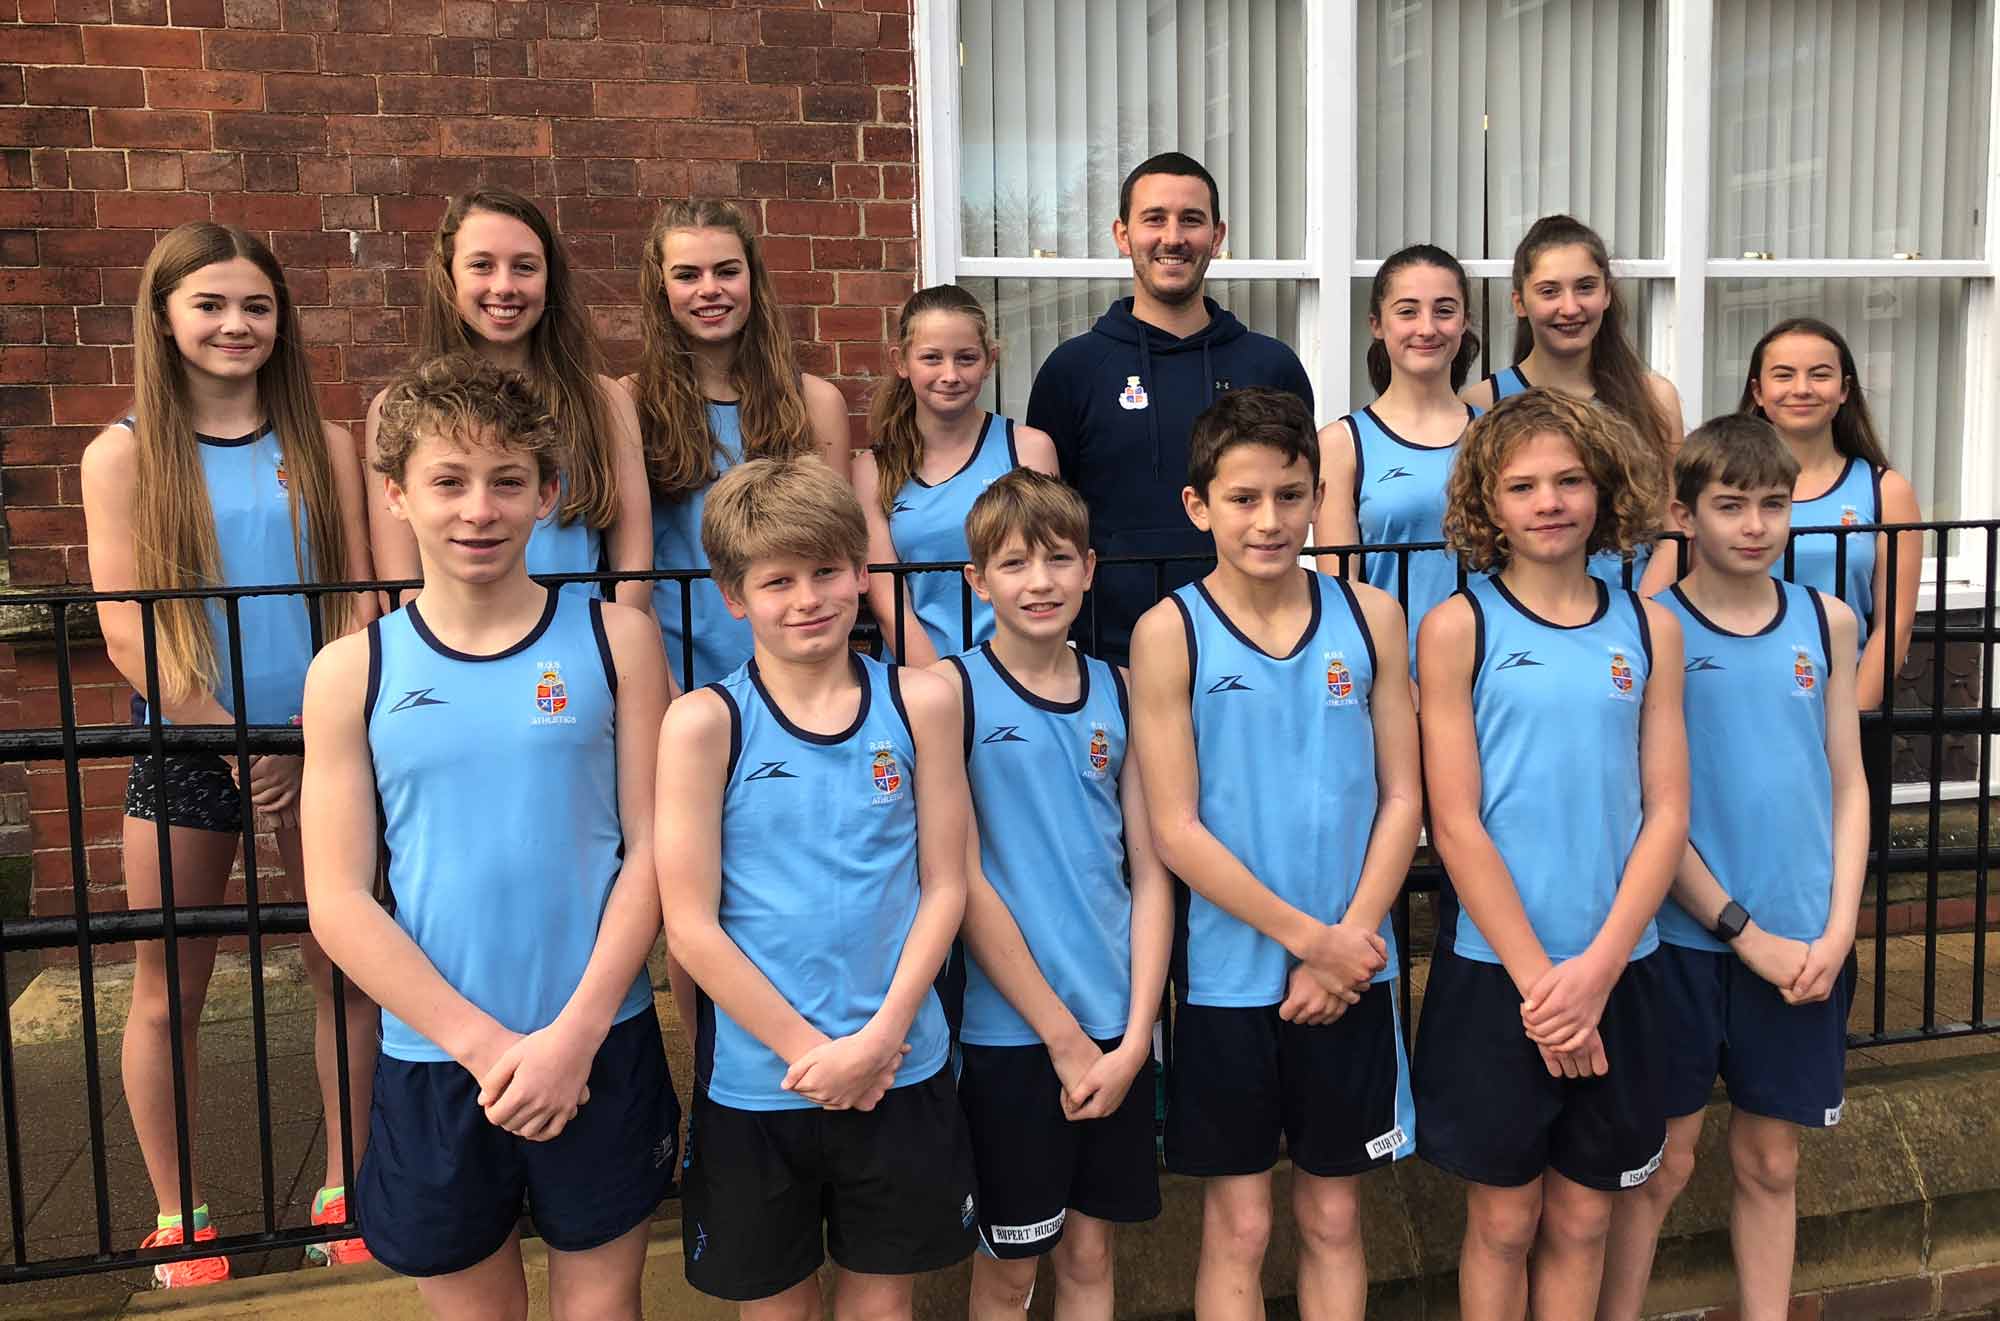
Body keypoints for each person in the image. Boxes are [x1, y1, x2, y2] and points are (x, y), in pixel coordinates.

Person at [302, 354, 677, 1320]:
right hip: (436, 1059)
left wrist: (574, 1036)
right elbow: (339, 898)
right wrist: (483, 1046)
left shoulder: (617, 642)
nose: (479, 509)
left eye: (508, 481)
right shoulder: (351, 670)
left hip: (600, 1041)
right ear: (396, 495)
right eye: (448, 481)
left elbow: (655, 851)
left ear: (548, 493)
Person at [79, 221, 379, 1285]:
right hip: (186, 745)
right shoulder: (120, 454)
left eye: (255, 304)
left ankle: (348, 1185)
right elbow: (127, 627)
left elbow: (354, 598)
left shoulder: (325, 444)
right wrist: (231, 735)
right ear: (164, 318)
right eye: (209, 304)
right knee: (171, 984)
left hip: (320, 744)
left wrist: (308, 736)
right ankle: (180, 1212)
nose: (234, 324)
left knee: (344, 967)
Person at [655, 457, 977, 1320]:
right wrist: (817, 1056)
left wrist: (875, 1042)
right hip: (767, 1082)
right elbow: (688, 926)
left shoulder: (923, 702)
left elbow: (947, 884)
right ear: (733, 594)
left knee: (883, 1305)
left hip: (900, 1061)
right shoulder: (702, 724)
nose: (808, 598)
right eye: (778, 580)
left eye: (827, 571)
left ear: (860, 573)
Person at [1129, 388, 1422, 1321]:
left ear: (1317, 495)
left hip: (1352, 968)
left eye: (1290, 496)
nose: (1269, 519)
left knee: (1334, 1215)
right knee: (1242, 1224)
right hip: (1229, 979)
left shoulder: (1371, 614)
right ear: (1198, 506)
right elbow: (1175, 828)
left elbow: (1402, 797)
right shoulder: (1168, 630)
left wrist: (1351, 943)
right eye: (1245, 497)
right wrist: (1310, 940)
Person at [1413, 390, 1688, 1321]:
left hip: (1620, 969)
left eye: (1569, 479)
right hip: (1503, 978)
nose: (1549, 500)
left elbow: (1666, 811)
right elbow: (1456, 823)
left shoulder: (1650, 627)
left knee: (1582, 1219)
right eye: (1523, 484)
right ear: (1488, 506)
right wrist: (1545, 989)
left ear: (1603, 490)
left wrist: (1597, 972)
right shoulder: (1457, 627)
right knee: (1503, 1221)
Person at [1596, 414, 1867, 1321]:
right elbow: (1655, 812)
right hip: (1686, 940)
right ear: (1683, 512)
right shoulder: (1649, 626)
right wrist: (1739, 932)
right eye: (1731, 505)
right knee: (1660, 1165)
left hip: (1803, 941)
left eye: (1774, 504)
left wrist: (1836, 930)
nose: (1755, 525)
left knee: (1771, 1159)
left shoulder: (1827, 621)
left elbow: (1849, 782)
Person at [936, 468, 1171, 1318]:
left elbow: (1149, 873)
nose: (1039, 581)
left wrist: (1137, 1031)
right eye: (1013, 563)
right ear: (976, 579)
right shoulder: (949, 695)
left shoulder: (1118, 690)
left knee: (1090, 1251)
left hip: (1115, 1027)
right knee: (1008, 1268)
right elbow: (960, 883)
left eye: (1058, 559)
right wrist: (1063, 1037)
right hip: (1013, 1036)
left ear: (1090, 567)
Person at [1027, 151, 1314, 664]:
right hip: (1112, 655)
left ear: (1218, 236)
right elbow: (1050, 523)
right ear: (1122, 234)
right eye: (1154, 218)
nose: (1173, 237)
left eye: (1191, 220)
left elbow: (1295, 499)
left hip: (1257, 648)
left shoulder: (1271, 366)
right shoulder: (1071, 372)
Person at [365, 189, 652, 613]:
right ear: (448, 276)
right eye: (482, 265)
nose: (504, 286)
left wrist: (611, 646)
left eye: (524, 267)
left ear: (549, 278)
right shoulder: (397, 409)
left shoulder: (603, 401)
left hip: (581, 652)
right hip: (455, 656)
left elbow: (634, 570)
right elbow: (401, 583)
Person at [628, 199, 852, 690]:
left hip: (800, 675)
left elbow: (837, 556)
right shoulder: (629, 405)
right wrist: (659, 689)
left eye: (727, 271)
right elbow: (629, 571)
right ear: (660, 287)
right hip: (674, 671)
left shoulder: (816, 403)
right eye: (687, 275)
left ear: (752, 279)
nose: (710, 290)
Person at [1462, 215, 1682, 594]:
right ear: (1519, 301)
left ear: (1607, 294)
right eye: (1549, 292)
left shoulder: (1654, 397)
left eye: (1585, 288)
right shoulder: (1482, 401)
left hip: (1632, 621)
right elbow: (1478, 528)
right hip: (1526, 619)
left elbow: (1675, 525)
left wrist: (1643, 613)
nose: (1570, 307)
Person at [856, 286, 1059, 666]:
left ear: (989, 360)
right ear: (901, 362)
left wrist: (1005, 682)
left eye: (966, 358)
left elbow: (1045, 576)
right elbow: (887, 601)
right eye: (931, 358)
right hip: (917, 681)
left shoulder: (1029, 450)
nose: (950, 375)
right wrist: (941, 687)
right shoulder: (872, 469)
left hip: (1018, 674)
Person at [1738, 317, 1922, 711]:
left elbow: (1895, 625)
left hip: (1839, 704)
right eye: (1783, 375)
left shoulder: (1885, 490)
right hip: (1739, 701)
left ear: (1844, 390)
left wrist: (1851, 718)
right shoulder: (1722, 486)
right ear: (1758, 390)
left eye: (1819, 375)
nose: (1801, 389)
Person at [1314, 243, 1483, 655]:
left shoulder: (1500, 435)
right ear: (1377, 323)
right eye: (1408, 311)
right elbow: (1343, 594)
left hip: (1494, 672)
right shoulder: (1342, 444)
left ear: (1464, 322)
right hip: (1395, 679)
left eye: (1444, 311)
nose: (1427, 328)